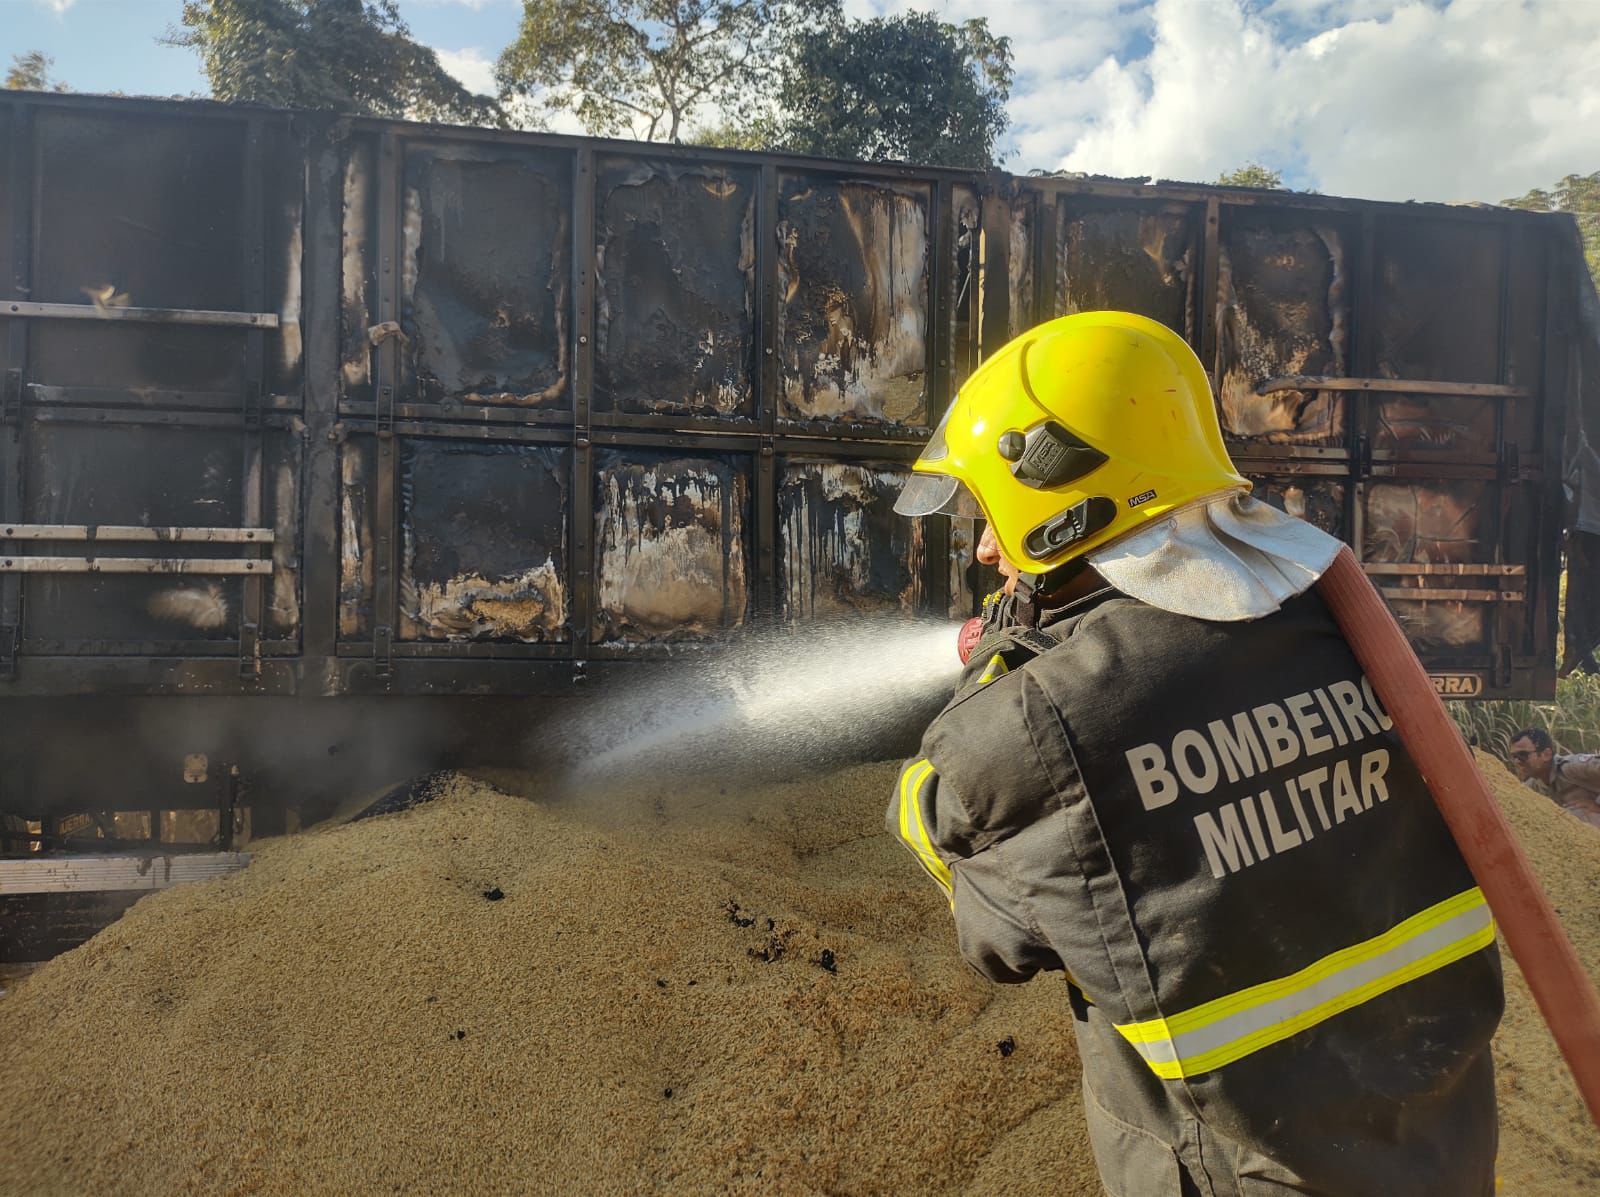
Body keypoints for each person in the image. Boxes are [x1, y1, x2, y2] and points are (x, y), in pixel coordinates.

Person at [887, 311, 1503, 1197]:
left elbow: (990, 920)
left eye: (990, 514)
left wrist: (1004, 662)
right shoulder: (1342, 617)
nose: (985, 547)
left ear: (1057, 507)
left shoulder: (1033, 725)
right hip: (1442, 1150)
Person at [1509, 727, 1600, 828]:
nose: (1517, 762)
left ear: (1546, 754)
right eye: (1514, 757)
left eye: (1522, 755)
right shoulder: (1532, 788)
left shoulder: (1572, 767)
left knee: (1577, 814)